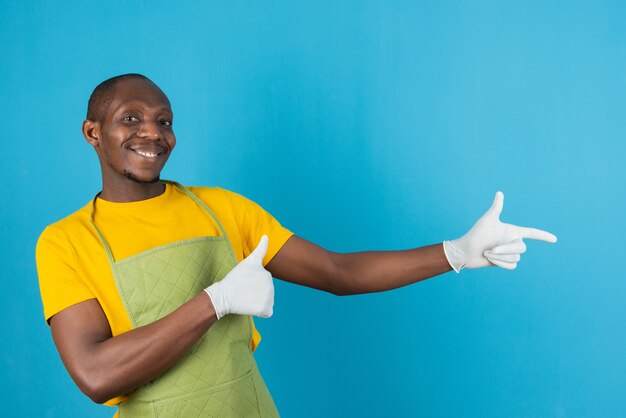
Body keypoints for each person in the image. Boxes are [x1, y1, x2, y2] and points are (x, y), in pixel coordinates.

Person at [36, 73, 557, 417]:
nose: (153, 133)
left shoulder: (222, 209)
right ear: (92, 132)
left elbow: (337, 273)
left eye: (165, 120)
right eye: (132, 118)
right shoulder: (66, 242)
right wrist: (214, 302)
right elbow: (96, 375)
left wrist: (458, 252)